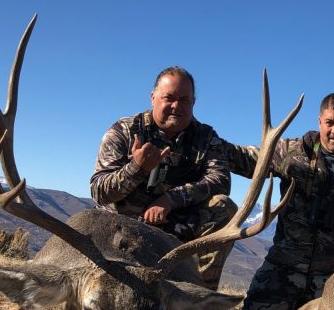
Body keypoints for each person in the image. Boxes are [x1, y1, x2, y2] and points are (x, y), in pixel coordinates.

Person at [225, 93, 334, 310]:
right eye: (329, 122)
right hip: (283, 266)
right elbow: (242, 157)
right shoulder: (291, 152)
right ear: (320, 122)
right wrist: (202, 138)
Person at [91, 66, 237, 289]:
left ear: (193, 103)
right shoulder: (123, 131)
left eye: (184, 100)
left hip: (175, 228)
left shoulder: (206, 137)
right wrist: (136, 168)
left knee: (223, 207)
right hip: (121, 231)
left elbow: (221, 180)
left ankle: (200, 298)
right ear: (153, 97)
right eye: (169, 97)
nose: (176, 106)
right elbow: (99, 192)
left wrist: (171, 199)